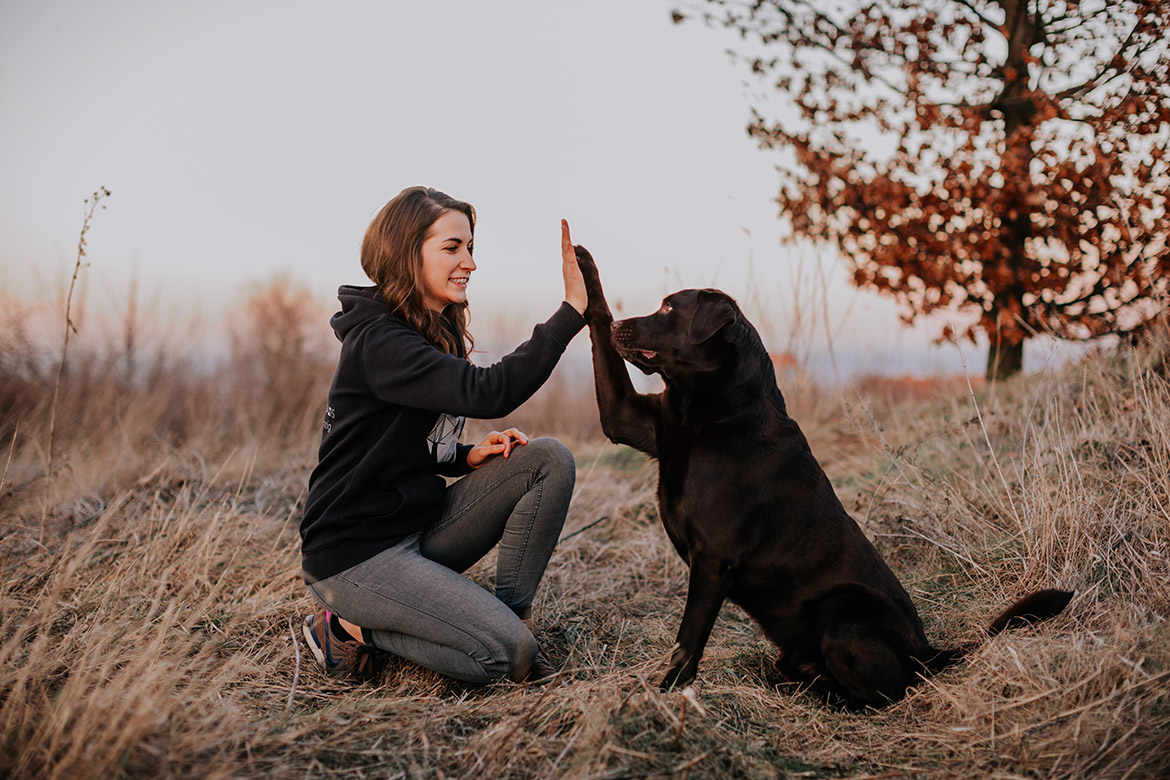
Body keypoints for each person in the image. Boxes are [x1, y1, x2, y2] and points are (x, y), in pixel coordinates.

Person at [299, 186, 588, 684]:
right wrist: (571, 312)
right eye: (452, 247)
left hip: (415, 526)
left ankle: (509, 618)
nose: (470, 262)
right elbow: (489, 392)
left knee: (547, 460)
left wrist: (465, 456)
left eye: (470, 247)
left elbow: (402, 440)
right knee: (507, 658)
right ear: (407, 253)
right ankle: (345, 628)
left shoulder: (431, 327)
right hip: (355, 555)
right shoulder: (381, 341)